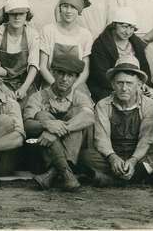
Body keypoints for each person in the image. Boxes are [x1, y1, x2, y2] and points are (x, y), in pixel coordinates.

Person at [19, 56, 97, 190]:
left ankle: (54, 173)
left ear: (76, 78)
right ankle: (66, 173)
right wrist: (47, 125)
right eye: (61, 73)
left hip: (74, 154)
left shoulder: (81, 97)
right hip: (42, 154)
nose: (64, 79)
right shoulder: (38, 97)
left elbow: (89, 117)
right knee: (42, 115)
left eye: (70, 75)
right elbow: (26, 125)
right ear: (53, 72)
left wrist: (55, 132)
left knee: (78, 115)